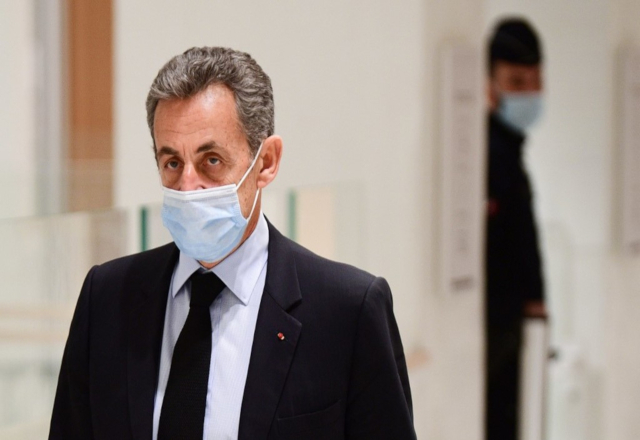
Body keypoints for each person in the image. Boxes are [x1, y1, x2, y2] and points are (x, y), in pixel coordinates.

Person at [49, 46, 416, 440]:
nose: (188, 186)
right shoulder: (106, 299)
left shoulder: (348, 311)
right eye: (172, 163)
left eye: (211, 160)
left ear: (266, 161)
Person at [485, 18, 547, 440]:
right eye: (516, 82)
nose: (528, 93)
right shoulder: (491, 154)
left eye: (535, 81)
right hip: (497, 333)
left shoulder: (509, 150)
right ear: (490, 83)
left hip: (513, 333)